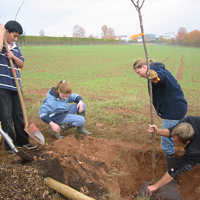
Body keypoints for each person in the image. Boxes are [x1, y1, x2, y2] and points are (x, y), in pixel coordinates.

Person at [133, 59, 187, 170]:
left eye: (138, 72)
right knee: (179, 134)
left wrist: (154, 77)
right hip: (177, 108)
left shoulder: (156, 70)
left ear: (144, 67)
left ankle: (172, 172)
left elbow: (159, 78)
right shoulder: (157, 69)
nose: (139, 76)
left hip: (172, 112)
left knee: (167, 143)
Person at [0, 20, 37, 153]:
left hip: (16, 87)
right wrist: (1, 34)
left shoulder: (16, 47)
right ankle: (10, 145)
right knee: (6, 117)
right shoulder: (1, 45)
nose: (15, 39)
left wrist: (13, 56)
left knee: (19, 115)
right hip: (2, 87)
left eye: (17, 37)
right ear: (7, 32)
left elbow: (21, 64)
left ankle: (23, 141)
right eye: (14, 35)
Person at [146, 116, 200, 196]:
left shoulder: (194, 151)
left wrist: (155, 186)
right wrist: (157, 131)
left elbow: (175, 170)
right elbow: (172, 131)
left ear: (187, 142)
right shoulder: (188, 121)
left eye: (177, 141)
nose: (174, 141)